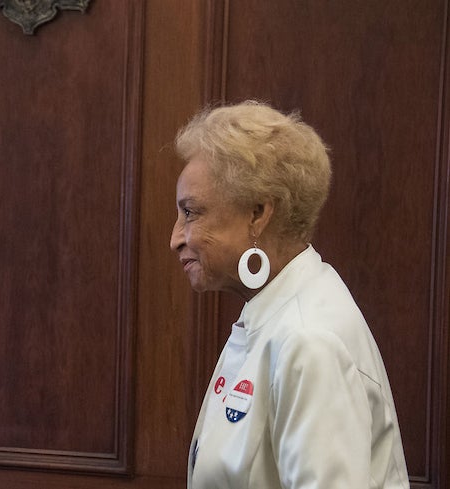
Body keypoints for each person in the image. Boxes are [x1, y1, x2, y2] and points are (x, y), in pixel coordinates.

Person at [170, 100, 409, 488]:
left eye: (191, 212)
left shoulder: (310, 340)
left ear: (258, 214)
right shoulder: (271, 310)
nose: (175, 238)